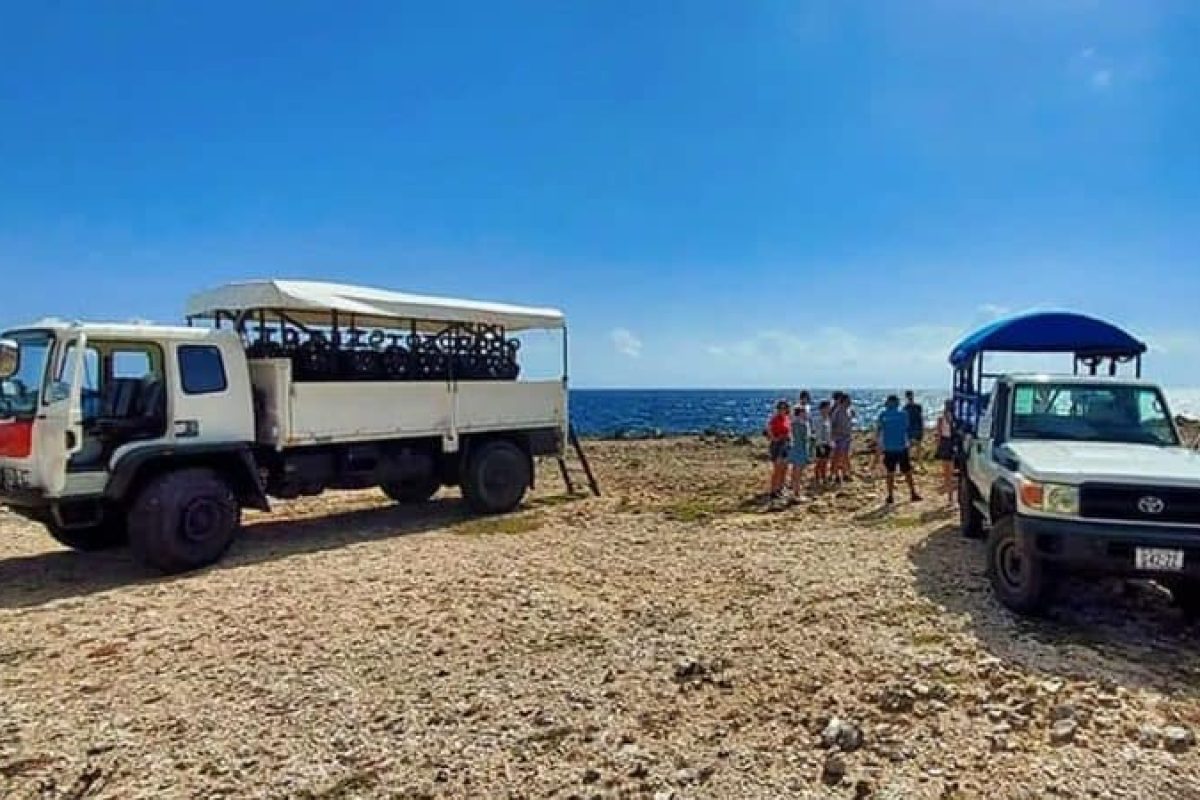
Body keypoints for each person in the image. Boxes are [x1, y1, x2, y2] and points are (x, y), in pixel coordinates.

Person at [877, 394, 922, 504]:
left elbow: (879, 431)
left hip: (889, 447)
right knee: (907, 471)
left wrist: (878, 449)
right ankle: (913, 493)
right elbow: (906, 428)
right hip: (901, 446)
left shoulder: (883, 415)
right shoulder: (903, 414)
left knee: (890, 472)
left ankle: (890, 496)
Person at [765, 400, 792, 500]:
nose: (782, 410)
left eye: (784, 408)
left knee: (784, 468)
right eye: (780, 408)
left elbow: (789, 431)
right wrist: (774, 438)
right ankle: (773, 491)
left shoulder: (787, 418)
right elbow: (768, 429)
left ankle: (780, 488)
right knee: (777, 469)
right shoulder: (774, 419)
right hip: (777, 445)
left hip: (786, 444)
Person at [935, 399, 957, 506]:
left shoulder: (941, 419)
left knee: (946, 472)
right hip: (952, 443)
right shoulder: (955, 419)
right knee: (952, 472)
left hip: (944, 443)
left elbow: (939, 435)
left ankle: (950, 497)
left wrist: (938, 447)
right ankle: (951, 496)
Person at [830, 392, 855, 482]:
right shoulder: (837, 411)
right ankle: (836, 475)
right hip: (839, 437)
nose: (849, 402)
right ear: (843, 401)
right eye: (848, 401)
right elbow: (832, 424)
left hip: (847, 437)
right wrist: (833, 437)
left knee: (845, 456)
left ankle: (845, 474)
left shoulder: (848, 411)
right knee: (838, 456)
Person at [789, 400, 813, 497]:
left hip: (795, 448)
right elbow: (805, 439)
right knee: (798, 471)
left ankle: (795, 490)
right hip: (800, 449)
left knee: (795, 470)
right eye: (805, 412)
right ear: (801, 413)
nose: (807, 414)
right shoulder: (802, 424)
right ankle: (796, 492)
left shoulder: (793, 423)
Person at [813, 400, 833, 486]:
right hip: (820, 444)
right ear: (822, 409)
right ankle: (817, 479)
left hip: (827, 443)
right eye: (827, 408)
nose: (828, 409)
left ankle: (824, 478)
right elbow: (818, 434)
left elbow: (829, 432)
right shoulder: (818, 420)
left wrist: (831, 442)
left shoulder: (828, 419)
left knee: (825, 462)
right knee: (819, 462)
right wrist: (820, 445)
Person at [904, 390, 925, 467]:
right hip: (914, 428)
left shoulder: (906, 408)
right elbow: (920, 418)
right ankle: (918, 463)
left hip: (912, 428)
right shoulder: (916, 407)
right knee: (915, 447)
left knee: (912, 447)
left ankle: (914, 463)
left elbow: (920, 418)